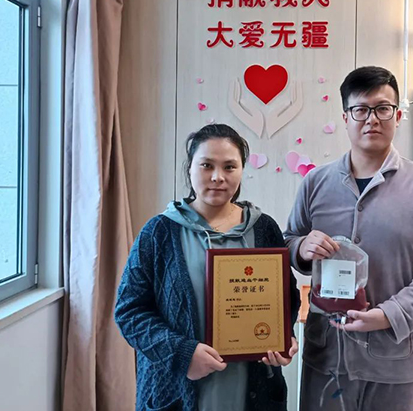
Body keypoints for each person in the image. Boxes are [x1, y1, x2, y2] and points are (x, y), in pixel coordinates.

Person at [284, 66, 413, 411]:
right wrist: (302, 248)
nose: (372, 119)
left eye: (382, 108)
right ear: (345, 118)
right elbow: (290, 239)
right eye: (360, 110)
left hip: (392, 358)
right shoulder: (316, 182)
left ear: (397, 116)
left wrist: (389, 314)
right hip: (327, 355)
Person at [115, 123, 300, 411]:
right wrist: (182, 354)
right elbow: (129, 312)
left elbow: (286, 298)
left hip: (252, 394)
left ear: (242, 170)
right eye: (206, 165)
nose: (218, 177)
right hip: (175, 393)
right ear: (190, 168)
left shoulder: (264, 229)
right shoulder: (159, 232)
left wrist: (284, 338)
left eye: (229, 167)